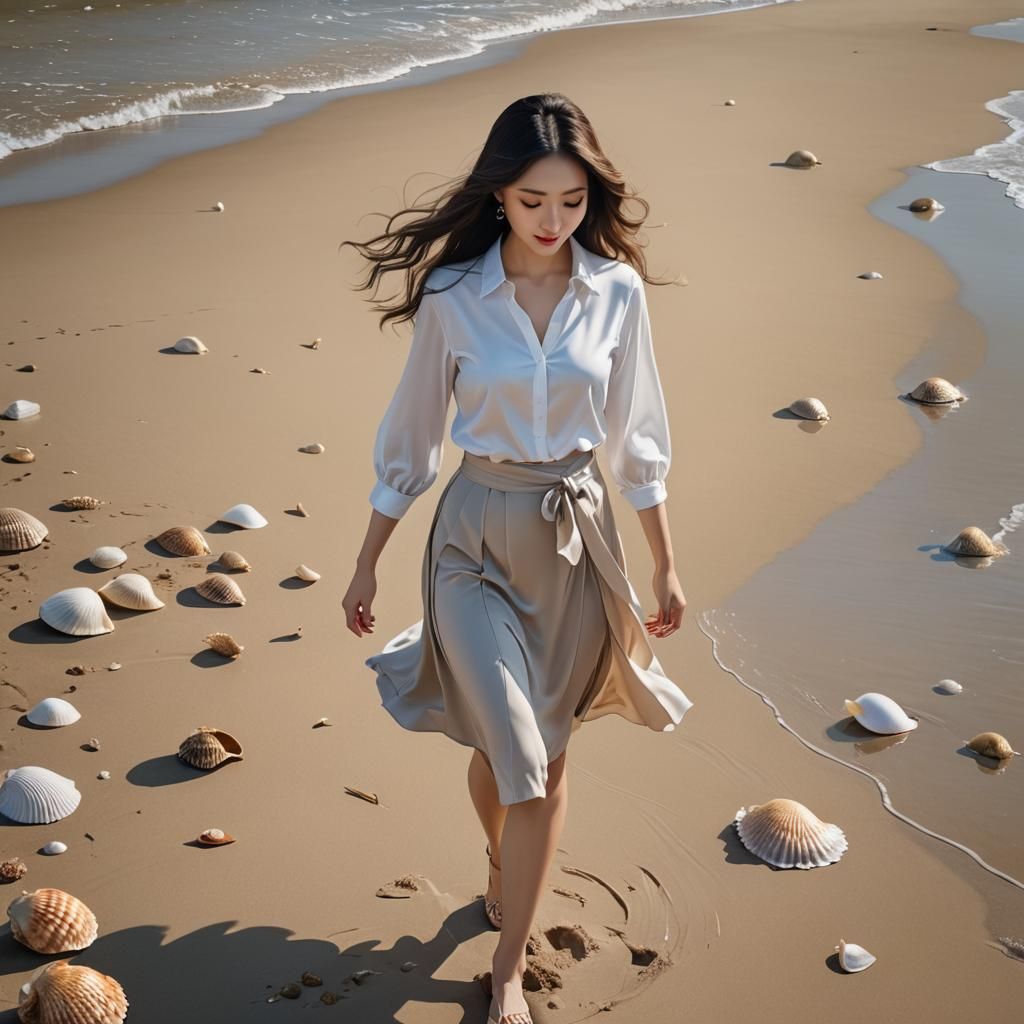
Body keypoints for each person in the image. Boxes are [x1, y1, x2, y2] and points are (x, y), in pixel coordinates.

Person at [339, 92, 693, 1024]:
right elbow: (414, 435)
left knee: (540, 755)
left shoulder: (616, 292)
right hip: (473, 541)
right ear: (499, 193)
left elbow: (637, 438)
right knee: (511, 748)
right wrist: (369, 559)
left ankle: (506, 957)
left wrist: (664, 563)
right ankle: (507, 884)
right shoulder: (455, 296)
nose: (553, 220)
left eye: (572, 201)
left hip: (577, 539)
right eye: (534, 200)